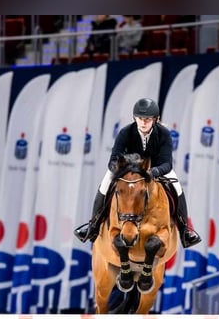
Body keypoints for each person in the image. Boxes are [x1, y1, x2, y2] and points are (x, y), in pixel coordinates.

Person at [74, 97, 202, 248]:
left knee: (176, 184)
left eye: (147, 119)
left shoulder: (164, 134)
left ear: (155, 119)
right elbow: (113, 161)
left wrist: (154, 171)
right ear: (135, 118)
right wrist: (124, 170)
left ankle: (184, 230)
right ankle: (93, 225)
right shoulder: (125, 133)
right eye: (140, 118)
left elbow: (167, 163)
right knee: (106, 182)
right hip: (129, 171)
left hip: (154, 169)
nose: (143, 123)